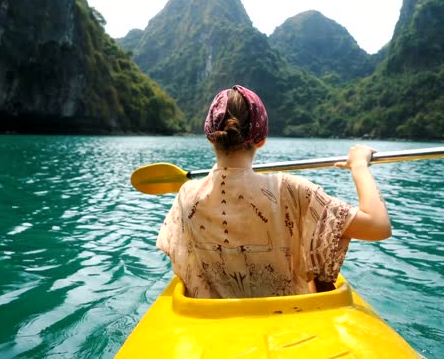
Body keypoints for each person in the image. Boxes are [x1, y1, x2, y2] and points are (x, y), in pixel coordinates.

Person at [156, 85, 391, 298]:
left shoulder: (187, 195)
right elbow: (378, 226)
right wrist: (359, 165)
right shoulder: (290, 189)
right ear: (261, 140)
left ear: (211, 138)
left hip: (212, 324)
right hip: (284, 324)